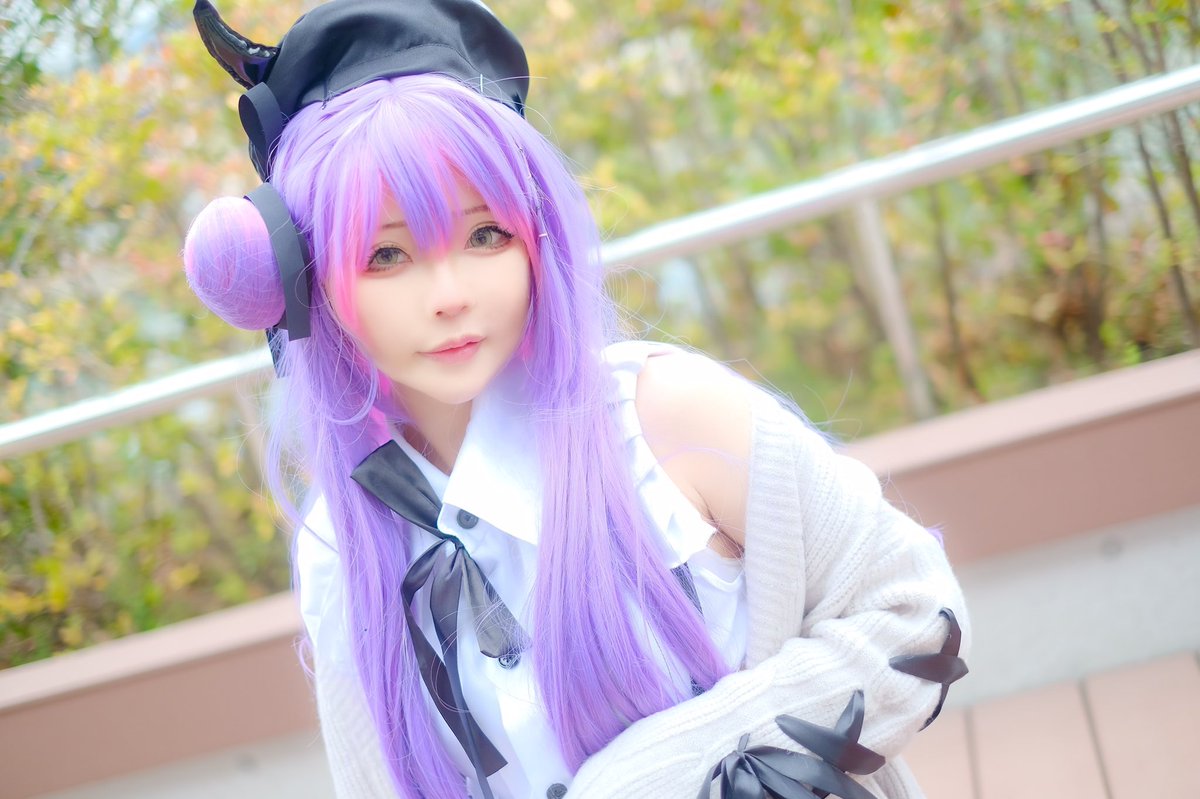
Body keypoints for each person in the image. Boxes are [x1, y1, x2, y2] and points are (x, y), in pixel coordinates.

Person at [183, 1, 970, 797]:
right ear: (307, 281)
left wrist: (659, 772)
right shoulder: (340, 547)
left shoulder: (665, 417)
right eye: (386, 254)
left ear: (537, 237)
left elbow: (913, 612)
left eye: (485, 235)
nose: (449, 294)